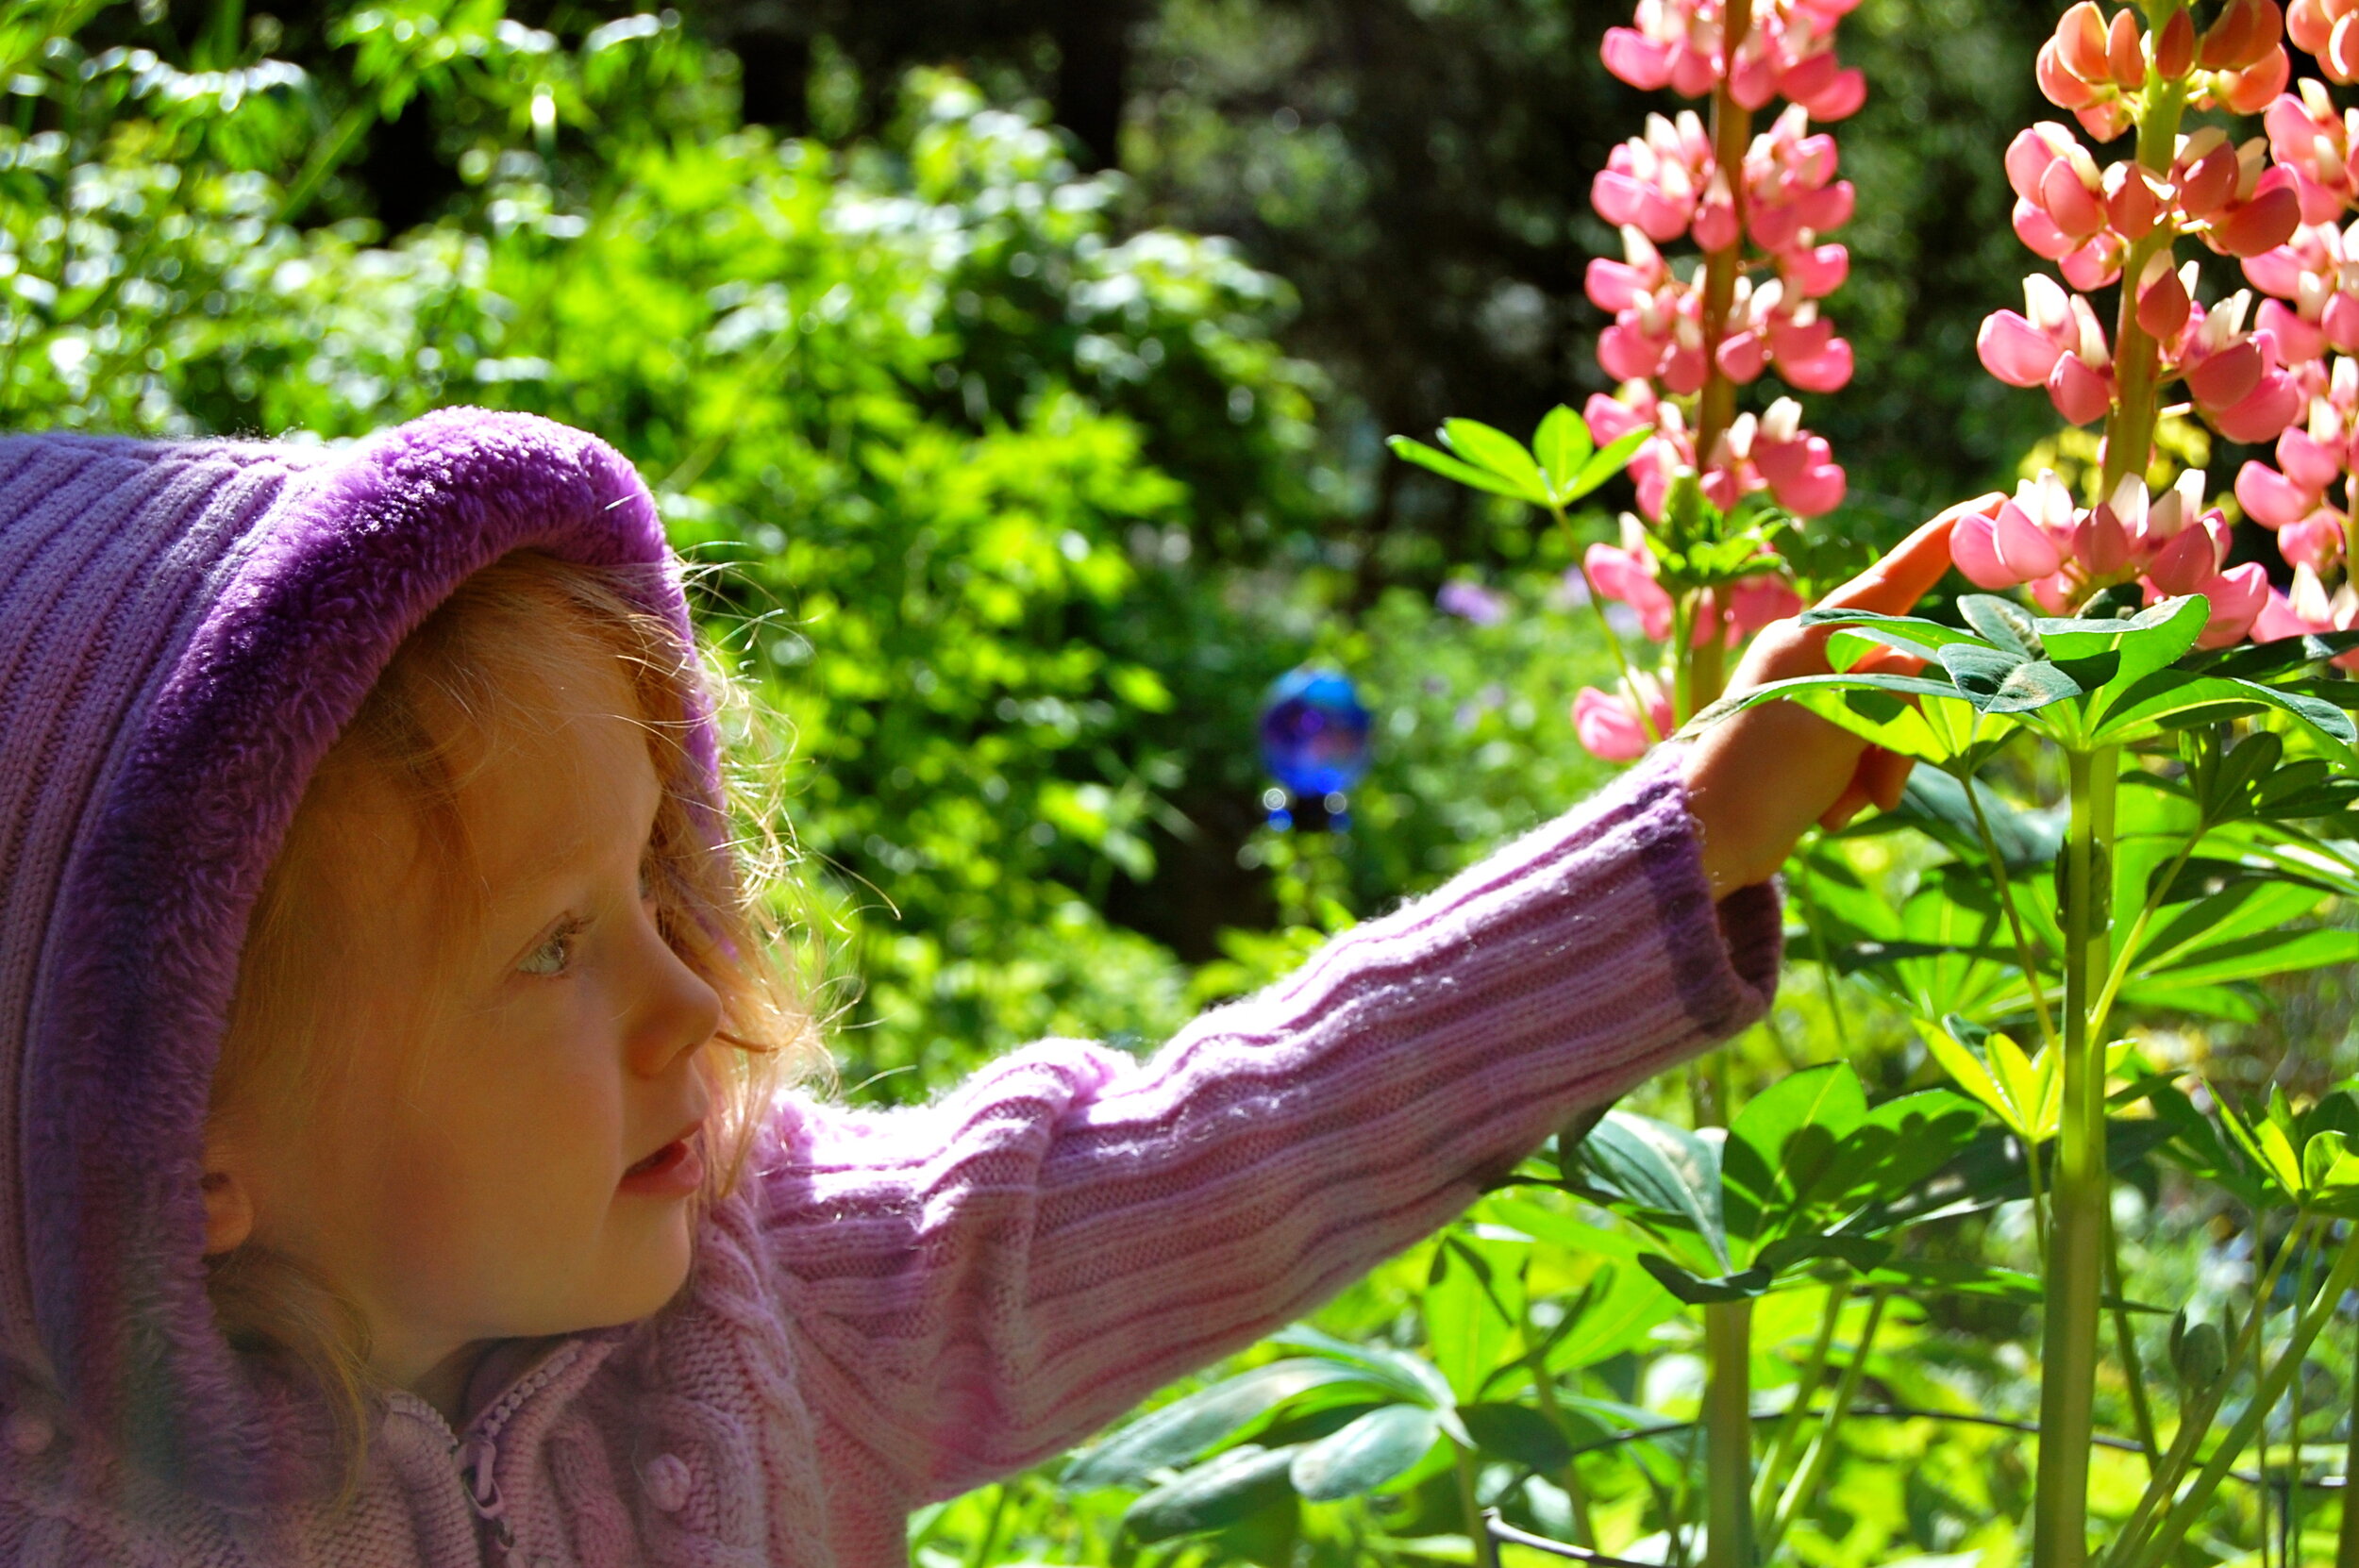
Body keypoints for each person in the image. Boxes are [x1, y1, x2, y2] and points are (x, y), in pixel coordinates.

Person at [0, 409, 1959, 1565]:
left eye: (656, 882)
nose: (693, 999)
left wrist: (1689, 835)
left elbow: (1216, 1143)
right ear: (173, 1131)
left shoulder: (768, 1294)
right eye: (550, 950)